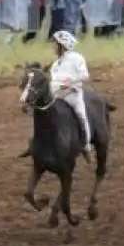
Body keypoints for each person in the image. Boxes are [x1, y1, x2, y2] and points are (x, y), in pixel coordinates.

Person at [44, 31, 92, 160]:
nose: (53, 47)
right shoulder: (55, 64)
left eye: (54, 44)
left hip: (73, 96)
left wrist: (70, 83)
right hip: (57, 96)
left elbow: (85, 76)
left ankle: (86, 146)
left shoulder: (77, 58)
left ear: (62, 44)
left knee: (81, 116)